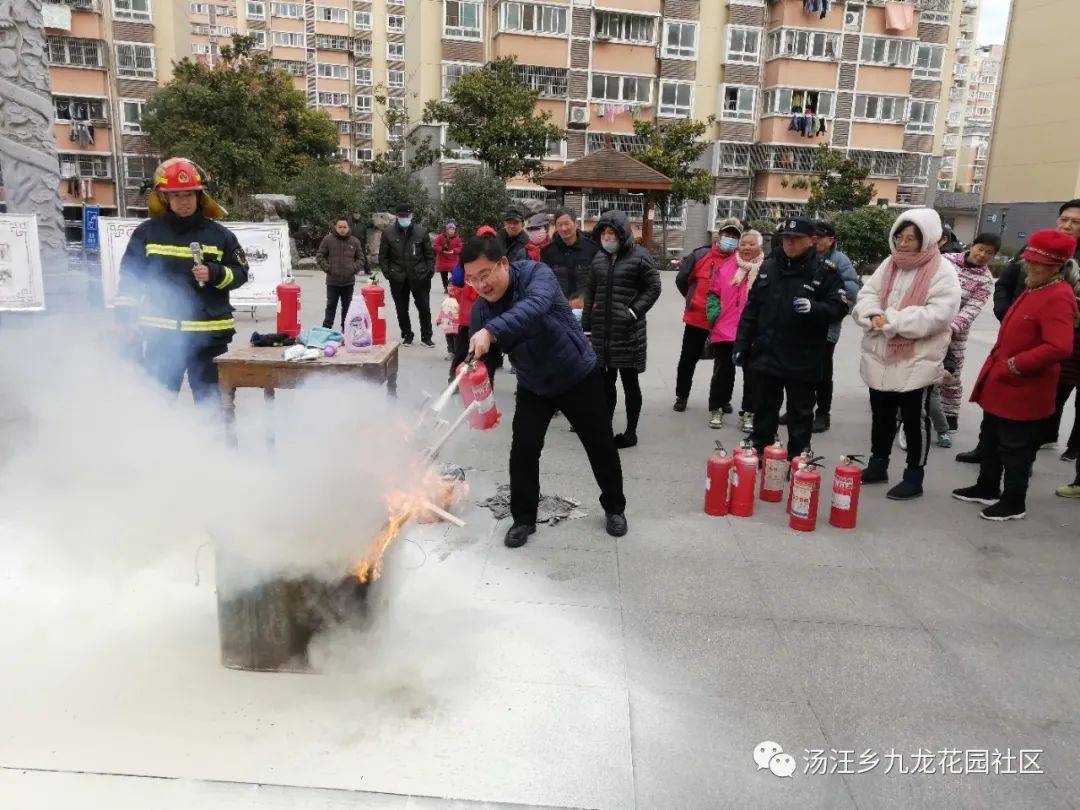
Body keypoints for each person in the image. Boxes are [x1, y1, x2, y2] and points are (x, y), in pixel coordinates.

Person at [462, 235, 628, 547]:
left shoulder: (537, 275)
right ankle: (523, 519)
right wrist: (480, 399)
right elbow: (481, 362)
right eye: (472, 280)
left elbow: (534, 307)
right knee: (523, 450)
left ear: (504, 263)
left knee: (600, 444)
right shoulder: (482, 312)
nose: (481, 286)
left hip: (577, 373)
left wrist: (493, 330)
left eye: (485, 275)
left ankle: (615, 507)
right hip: (534, 384)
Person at [952, 230, 1079, 521]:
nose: (1030, 267)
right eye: (1029, 260)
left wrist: (1017, 364)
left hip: (1024, 386)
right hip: (1003, 382)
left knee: (1016, 448)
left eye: (1038, 264)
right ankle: (986, 486)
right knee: (992, 438)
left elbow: (1059, 346)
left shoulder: (1059, 295)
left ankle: (1014, 501)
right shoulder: (1035, 287)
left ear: (1056, 266)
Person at [115, 157, 249, 405]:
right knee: (156, 406)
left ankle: (215, 445)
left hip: (208, 341)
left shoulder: (220, 236)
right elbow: (129, 282)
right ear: (165, 198)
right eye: (176, 195)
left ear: (199, 196)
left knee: (214, 409)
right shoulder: (146, 233)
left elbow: (241, 273)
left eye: (189, 194)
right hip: (161, 339)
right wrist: (124, 322)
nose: (183, 201)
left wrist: (215, 273)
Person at [958, 199, 1080, 463]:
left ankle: (1039, 453)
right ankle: (987, 454)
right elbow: (1006, 282)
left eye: (1075, 222)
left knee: (1039, 404)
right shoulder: (1033, 247)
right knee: (997, 401)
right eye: (1064, 219)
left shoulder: (1061, 289)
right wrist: (1007, 314)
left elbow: (1059, 344)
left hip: (1059, 341)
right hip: (1017, 334)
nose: (1067, 225)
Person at [852, 208, 961, 500]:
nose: (903, 243)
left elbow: (940, 314)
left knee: (916, 419)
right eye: (900, 236)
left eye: (911, 238)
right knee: (882, 414)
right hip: (882, 354)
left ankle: (915, 475)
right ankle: (878, 464)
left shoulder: (942, 270)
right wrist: (872, 314)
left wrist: (892, 321)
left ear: (928, 238)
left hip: (917, 356)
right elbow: (867, 294)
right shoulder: (890, 264)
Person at [732, 217, 849, 462]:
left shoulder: (824, 271)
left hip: (802, 356)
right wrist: (742, 344)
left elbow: (839, 307)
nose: (790, 244)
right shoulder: (769, 267)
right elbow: (752, 309)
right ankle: (762, 452)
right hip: (767, 353)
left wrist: (816, 308)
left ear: (811, 241)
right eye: (786, 238)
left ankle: (797, 457)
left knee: (800, 413)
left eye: (796, 239)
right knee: (764, 409)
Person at [582, 210, 662, 448]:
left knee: (630, 385)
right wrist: (587, 328)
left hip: (628, 334)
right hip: (602, 335)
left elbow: (654, 287)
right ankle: (604, 428)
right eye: (604, 232)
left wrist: (633, 311)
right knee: (605, 385)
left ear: (622, 233)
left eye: (612, 232)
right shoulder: (598, 258)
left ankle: (630, 432)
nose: (608, 237)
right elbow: (590, 295)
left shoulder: (640, 257)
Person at [673, 218, 743, 413]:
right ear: (719, 235)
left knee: (725, 364)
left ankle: (723, 399)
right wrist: (692, 299)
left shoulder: (740, 261)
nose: (730, 239)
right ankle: (682, 395)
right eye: (727, 234)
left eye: (734, 236)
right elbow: (682, 279)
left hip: (725, 322)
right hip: (697, 318)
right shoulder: (700, 255)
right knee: (688, 358)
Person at [936, 233, 1000, 436]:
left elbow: (972, 309)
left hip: (955, 333)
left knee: (951, 375)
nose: (982, 255)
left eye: (989, 253)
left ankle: (950, 416)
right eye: (980, 249)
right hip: (929, 322)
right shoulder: (946, 260)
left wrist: (951, 327)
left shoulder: (985, 280)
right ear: (972, 246)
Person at [807, 221, 861, 434]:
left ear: (831, 240)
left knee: (822, 371)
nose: (815, 241)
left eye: (819, 237)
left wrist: (831, 310)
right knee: (800, 370)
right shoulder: (807, 256)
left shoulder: (840, 261)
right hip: (803, 323)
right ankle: (801, 409)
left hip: (826, 326)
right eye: (813, 237)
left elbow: (850, 292)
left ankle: (823, 414)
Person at [704, 230, 759, 429]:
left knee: (753, 375)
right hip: (725, 329)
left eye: (751, 244)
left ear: (760, 247)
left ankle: (749, 413)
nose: (746, 247)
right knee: (722, 373)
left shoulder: (766, 270)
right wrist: (713, 313)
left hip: (753, 332)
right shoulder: (726, 267)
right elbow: (713, 293)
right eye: (744, 244)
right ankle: (717, 408)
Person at [448, 225, 501, 383]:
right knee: (464, 349)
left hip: (489, 316)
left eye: (490, 238)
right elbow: (456, 281)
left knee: (486, 353)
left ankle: (483, 384)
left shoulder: (498, 261)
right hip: (469, 316)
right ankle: (456, 379)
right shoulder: (467, 261)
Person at [378, 204, 435, 348]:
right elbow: (383, 257)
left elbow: (430, 256)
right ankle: (407, 335)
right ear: (397, 216)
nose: (404, 219)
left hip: (420, 277)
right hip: (398, 277)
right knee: (401, 309)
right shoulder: (388, 233)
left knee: (424, 307)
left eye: (407, 216)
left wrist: (429, 272)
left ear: (412, 216)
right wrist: (388, 273)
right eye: (401, 216)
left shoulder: (421, 232)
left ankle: (426, 337)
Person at [541, 207, 598, 307]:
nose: (563, 228)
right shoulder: (547, 252)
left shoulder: (592, 249)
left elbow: (598, 280)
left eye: (567, 224)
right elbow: (544, 282)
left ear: (576, 224)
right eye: (559, 225)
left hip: (586, 308)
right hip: (557, 308)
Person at [316, 216, 366, 330]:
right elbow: (319, 256)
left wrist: (353, 268)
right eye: (340, 227)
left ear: (348, 227)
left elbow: (361, 259)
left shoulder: (355, 241)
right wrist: (328, 268)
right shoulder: (328, 239)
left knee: (347, 308)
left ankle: (346, 330)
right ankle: (326, 330)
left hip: (348, 282)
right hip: (332, 282)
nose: (342, 229)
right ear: (335, 227)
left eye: (344, 227)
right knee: (330, 307)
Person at [432, 220, 462, 293]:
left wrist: (454, 251)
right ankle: (446, 288)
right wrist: (442, 249)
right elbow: (435, 246)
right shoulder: (440, 237)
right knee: (443, 276)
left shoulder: (457, 238)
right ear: (446, 229)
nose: (452, 230)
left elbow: (460, 247)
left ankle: (452, 284)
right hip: (443, 260)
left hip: (453, 260)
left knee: (456, 274)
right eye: (450, 229)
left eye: (453, 229)